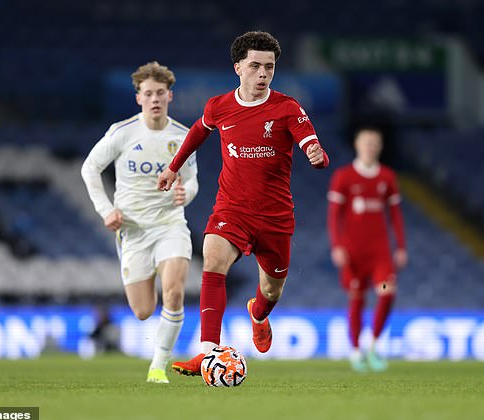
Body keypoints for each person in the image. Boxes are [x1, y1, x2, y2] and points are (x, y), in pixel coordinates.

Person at [157, 31, 329, 376]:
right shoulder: (219, 107)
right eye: (255, 66)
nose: (263, 73)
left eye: (269, 67)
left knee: (271, 289)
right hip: (232, 209)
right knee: (213, 259)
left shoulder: (287, 108)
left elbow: (313, 145)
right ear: (238, 67)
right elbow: (198, 133)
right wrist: (173, 167)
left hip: (275, 217)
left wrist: (316, 153)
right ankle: (207, 352)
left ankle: (258, 314)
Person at [81, 61, 198, 384]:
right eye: (148, 93)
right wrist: (106, 210)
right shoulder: (123, 133)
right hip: (132, 230)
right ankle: (156, 329)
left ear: (170, 96)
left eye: (160, 93)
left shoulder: (183, 136)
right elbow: (89, 169)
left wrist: (184, 194)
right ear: (138, 98)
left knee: (174, 292)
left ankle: (158, 367)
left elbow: (193, 181)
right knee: (144, 310)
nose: (155, 99)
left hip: (170, 224)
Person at [327, 126, 407, 372]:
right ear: (358, 145)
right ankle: (355, 351)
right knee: (357, 298)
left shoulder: (387, 177)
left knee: (385, 291)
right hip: (353, 253)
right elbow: (334, 216)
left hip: (379, 254)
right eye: (366, 142)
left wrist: (401, 246)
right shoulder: (344, 176)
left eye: (374, 143)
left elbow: (395, 215)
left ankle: (372, 345)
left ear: (380, 147)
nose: (370, 147)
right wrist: (337, 246)